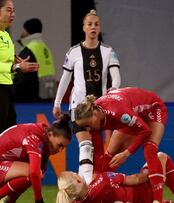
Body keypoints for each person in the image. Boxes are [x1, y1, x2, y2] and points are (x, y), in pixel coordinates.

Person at [0, 0, 39, 197]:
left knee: (7, 148)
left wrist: (15, 61)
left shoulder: (4, 35)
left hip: (5, 94)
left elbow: (3, 61)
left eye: (14, 10)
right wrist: (16, 67)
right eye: (8, 10)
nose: (13, 14)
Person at [52, 9, 121, 185]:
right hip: (79, 108)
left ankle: (95, 186)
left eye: (96, 24)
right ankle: (86, 186)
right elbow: (65, 79)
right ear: (83, 28)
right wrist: (57, 103)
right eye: (89, 24)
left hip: (100, 108)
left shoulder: (108, 51)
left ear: (99, 28)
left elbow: (116, 75)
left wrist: (114, 89)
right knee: (86, 146)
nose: (93, 27)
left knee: (98, 148)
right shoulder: (73, 52)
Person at [74, 87, 168, 203]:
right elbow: (98, 151)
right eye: (85, 127)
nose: (88, 129)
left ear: (94, 114)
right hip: (132, 113)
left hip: (152, 108)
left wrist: (126, 153)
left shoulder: (118, 112)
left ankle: (157, 200)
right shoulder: (95, 119)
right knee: (108, 158)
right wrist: (96, 176)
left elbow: (145, 131)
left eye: (88, 124)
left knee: (149, 149)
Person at [0, 113, 72, 203]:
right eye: (59, 145)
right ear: (50, 135)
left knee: (37, 172)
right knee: (34, 172)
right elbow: (33, 173)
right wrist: (39, 200)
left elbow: (28, 179)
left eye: (63, 147)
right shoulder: (34, 137)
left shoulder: (45, 139)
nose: (60, 150)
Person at [56, 152, 174, 203]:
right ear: (79, 180)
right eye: (74, 173)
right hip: (144, 192)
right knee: (161, 157)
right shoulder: (104, 180)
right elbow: (137, 179)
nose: (76, 172)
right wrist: (156, 175)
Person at [13, 18, 57, 102]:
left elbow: (22, 78)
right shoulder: (45, 48)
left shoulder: (29, 50)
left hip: (30, 100)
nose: (22, 33)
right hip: (46, 96)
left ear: (28, 31)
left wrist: (10, 93)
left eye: (24, 30)